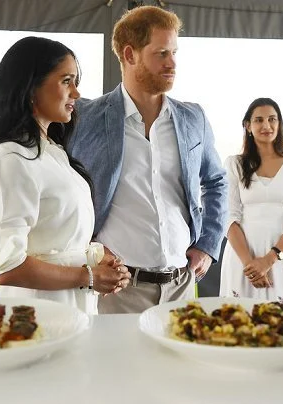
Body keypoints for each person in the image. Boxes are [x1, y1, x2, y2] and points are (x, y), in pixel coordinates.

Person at [68, 6, 228, 314]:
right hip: (119, 288)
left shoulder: (193, 118)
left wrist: (208, 244)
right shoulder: (84, 118)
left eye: (175, 53)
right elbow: (63, 188)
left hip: (182, 284)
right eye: (162, 53)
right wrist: (88, 247)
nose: (172, 63)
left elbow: (217, 181)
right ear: (130, 55)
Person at [0, 37, 130, 313]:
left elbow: (56, 237)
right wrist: (89, 277)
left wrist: (97, 258)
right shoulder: (10, 158)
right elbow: (8, 266)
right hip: (38, 316)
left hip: (72, 311)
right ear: (31, 87)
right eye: (66, 81)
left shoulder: (53, 152)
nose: (77, 94)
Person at [219, 98, 283, 307]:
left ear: (279, 124)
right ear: (248, 126)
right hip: (243, 259)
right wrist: (251, 266)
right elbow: (229, 218)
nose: (266, 126)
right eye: (259, 120)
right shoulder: (234, 164)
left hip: (282, 259)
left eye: (272, 119)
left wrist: (268, 260)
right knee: (237, 327)